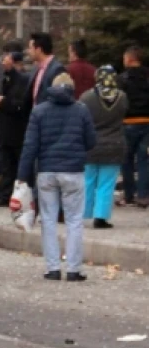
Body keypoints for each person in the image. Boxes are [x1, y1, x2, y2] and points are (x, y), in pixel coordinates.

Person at [17, 73, 95, 281]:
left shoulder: (39, 111)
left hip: (47, 171)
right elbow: (91, 141)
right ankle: (73, 269)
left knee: (49, 220)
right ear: (72, 89)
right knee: (74, 220)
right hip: (73, 171)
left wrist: (22, 176)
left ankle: (52, 268)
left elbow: (30, 145)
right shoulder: (81, 110)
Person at [81, 66, 127, 229]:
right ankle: (100, 217)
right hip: (114, 144)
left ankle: (84, 213)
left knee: (88, 181)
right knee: (107, 183)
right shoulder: (122, 97)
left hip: (91, 145)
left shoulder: (86, 97)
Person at [0, 52, 31, 207]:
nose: (3, 63)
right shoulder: (7, 79)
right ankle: (5, 194)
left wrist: (4, 103)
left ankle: (18, 195)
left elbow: (20, 105)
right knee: (7, 164)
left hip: (17, 131)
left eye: (6, 61)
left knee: (17, 163)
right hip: (7, 130)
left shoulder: (22, 81)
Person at [118, 46, 149, 207]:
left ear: (130, 59)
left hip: (128, 123)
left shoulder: (122, 79)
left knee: (127, 160)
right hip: (147, 123)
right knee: (144, 160)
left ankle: (129, 195)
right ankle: (143, 196)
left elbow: (119, 101)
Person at [27, 32, 66, 106]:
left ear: (38, 49)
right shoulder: (36, 68)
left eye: (30, 48)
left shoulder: (57, 69)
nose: (28, 51)